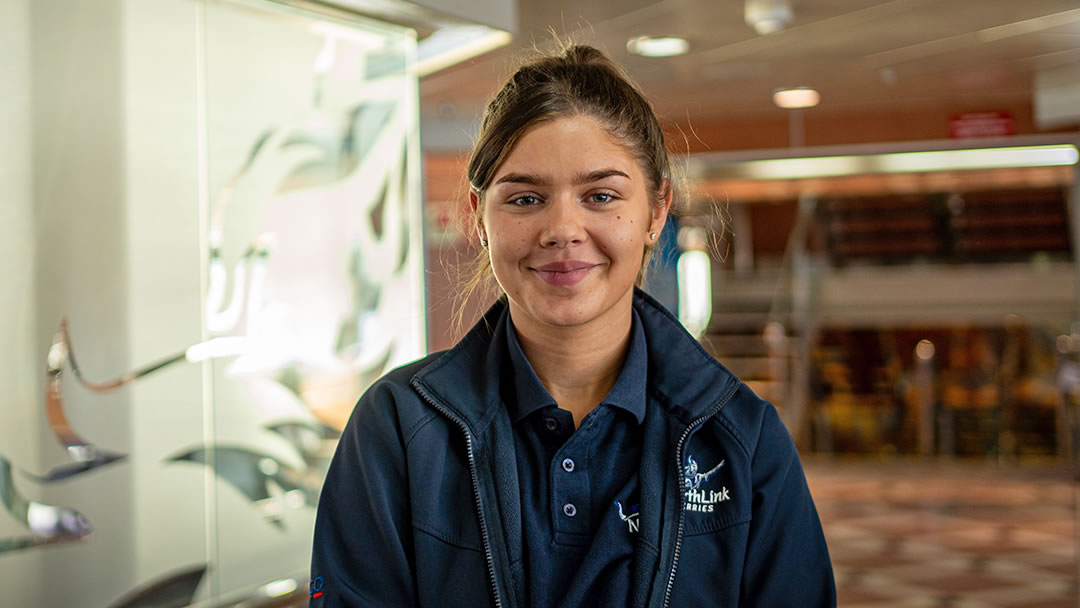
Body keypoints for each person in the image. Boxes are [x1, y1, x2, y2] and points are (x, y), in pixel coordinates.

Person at [310, 43, 835, 608]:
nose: (562, 229)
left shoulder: (741, 439)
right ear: (479, 218)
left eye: (601, 196)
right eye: (526, 198)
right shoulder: (397, 429)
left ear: (657, 211)